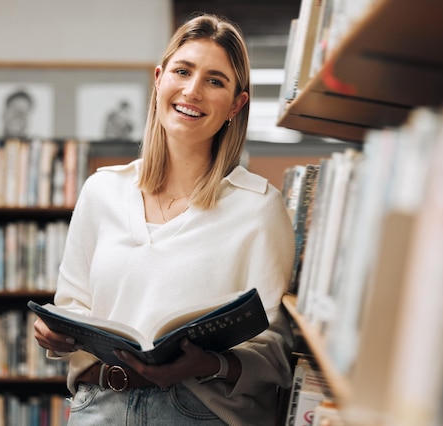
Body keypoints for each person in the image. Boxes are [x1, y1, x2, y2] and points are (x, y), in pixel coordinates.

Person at [33, 13, 295, 426]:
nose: (192, 90)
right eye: (182, 71)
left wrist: (205, 363)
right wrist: (56, 334)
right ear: (159, 80)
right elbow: (74, 306)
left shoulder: (260, 207)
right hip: (98, 405)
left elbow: (276, 352)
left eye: (215, 80)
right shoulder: (101, 191)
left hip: (196, 411)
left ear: (236, 104)